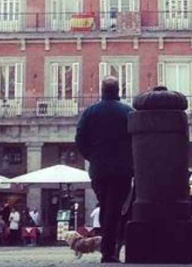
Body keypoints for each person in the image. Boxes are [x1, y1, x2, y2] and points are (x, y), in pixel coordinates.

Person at [75, 76, 135, 263]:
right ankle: (110, 251)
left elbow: (80, 139)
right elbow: (137, 139)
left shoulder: (90, 112)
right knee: (115, 210)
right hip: (122, 170)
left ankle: (108, 250)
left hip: (99, 169)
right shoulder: (128, 112)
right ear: (118, 91)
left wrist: (91, 157)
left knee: (105, 207)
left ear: (102, 91)